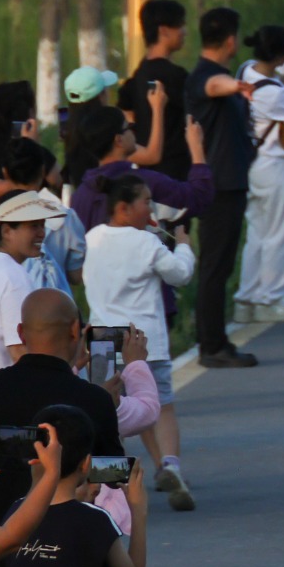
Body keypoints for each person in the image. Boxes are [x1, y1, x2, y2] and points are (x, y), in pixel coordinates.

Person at [0, 290, 123, 521]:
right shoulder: (94, 399)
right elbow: (117, 475)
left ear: (20, 333)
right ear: (75, 330)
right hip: (64, 533)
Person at [81, 176, 196, 507]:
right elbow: (180, 274)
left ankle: (108, 487)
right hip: (143, 341)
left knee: (109, 412)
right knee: (160, 405)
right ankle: (170, 465)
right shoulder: (146, 242)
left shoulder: (92, 238)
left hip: (102, 340)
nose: (151, 208)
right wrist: (183, 244)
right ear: (124, 208)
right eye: (146, 202)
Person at [0, 405, 145, 567]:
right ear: (86, 464)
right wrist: (138, 510)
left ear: (34, 457)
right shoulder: (95, 520)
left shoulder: (14, 516)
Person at [184, 8, 257, 369]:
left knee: (221, 265)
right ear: (230, 40)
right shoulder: (205, 77)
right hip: (219, 186)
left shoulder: (213, 75)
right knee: (215, 266)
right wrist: (236, 86)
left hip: (229, 183)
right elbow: (214, 87)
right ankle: (211, 345)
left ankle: (216, 339)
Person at [232, 26, 284, 324]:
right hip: (275, 166)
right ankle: (270, 299)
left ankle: (246, 299)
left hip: (251, 164)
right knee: (281, 234)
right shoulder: (275, 94)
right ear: (280, 55)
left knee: (258, 235)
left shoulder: (246, 71)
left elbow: (275, 89)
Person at [0, 191, 74, 370]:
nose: (42, 233)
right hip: (2, 384)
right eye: (34, 226)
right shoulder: (13, 275)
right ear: (7, 231)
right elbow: (19, 351)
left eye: (42, 225)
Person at [119, 2, 192, 183]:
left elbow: (125, 110)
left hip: (146, 176)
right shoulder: (176, 77)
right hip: (177, 175)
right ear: (164, 31)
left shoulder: (137, 76)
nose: (184, 31)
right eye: (180, 25)